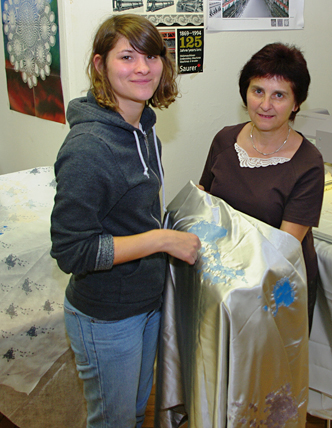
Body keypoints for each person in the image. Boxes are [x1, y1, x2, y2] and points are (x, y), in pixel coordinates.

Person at [50, 14, 200, 428]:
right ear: (100, 65)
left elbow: (134, 214)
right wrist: (161, 241)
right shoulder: (89, 147)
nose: (142, 68)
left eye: (152, 56)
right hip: (106, 316)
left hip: (144, 301)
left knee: (134, 414)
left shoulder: (144, 126)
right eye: (127, 56)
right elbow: (71, 249)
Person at [199, 42, 324, 330]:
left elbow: (284, 248)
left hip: (277, 290)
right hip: (223, 282)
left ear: (296, 103)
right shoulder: (224, 140)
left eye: (278, 95)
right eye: (258, 91)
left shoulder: (308, 163)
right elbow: (205, 203)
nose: (265, 105)